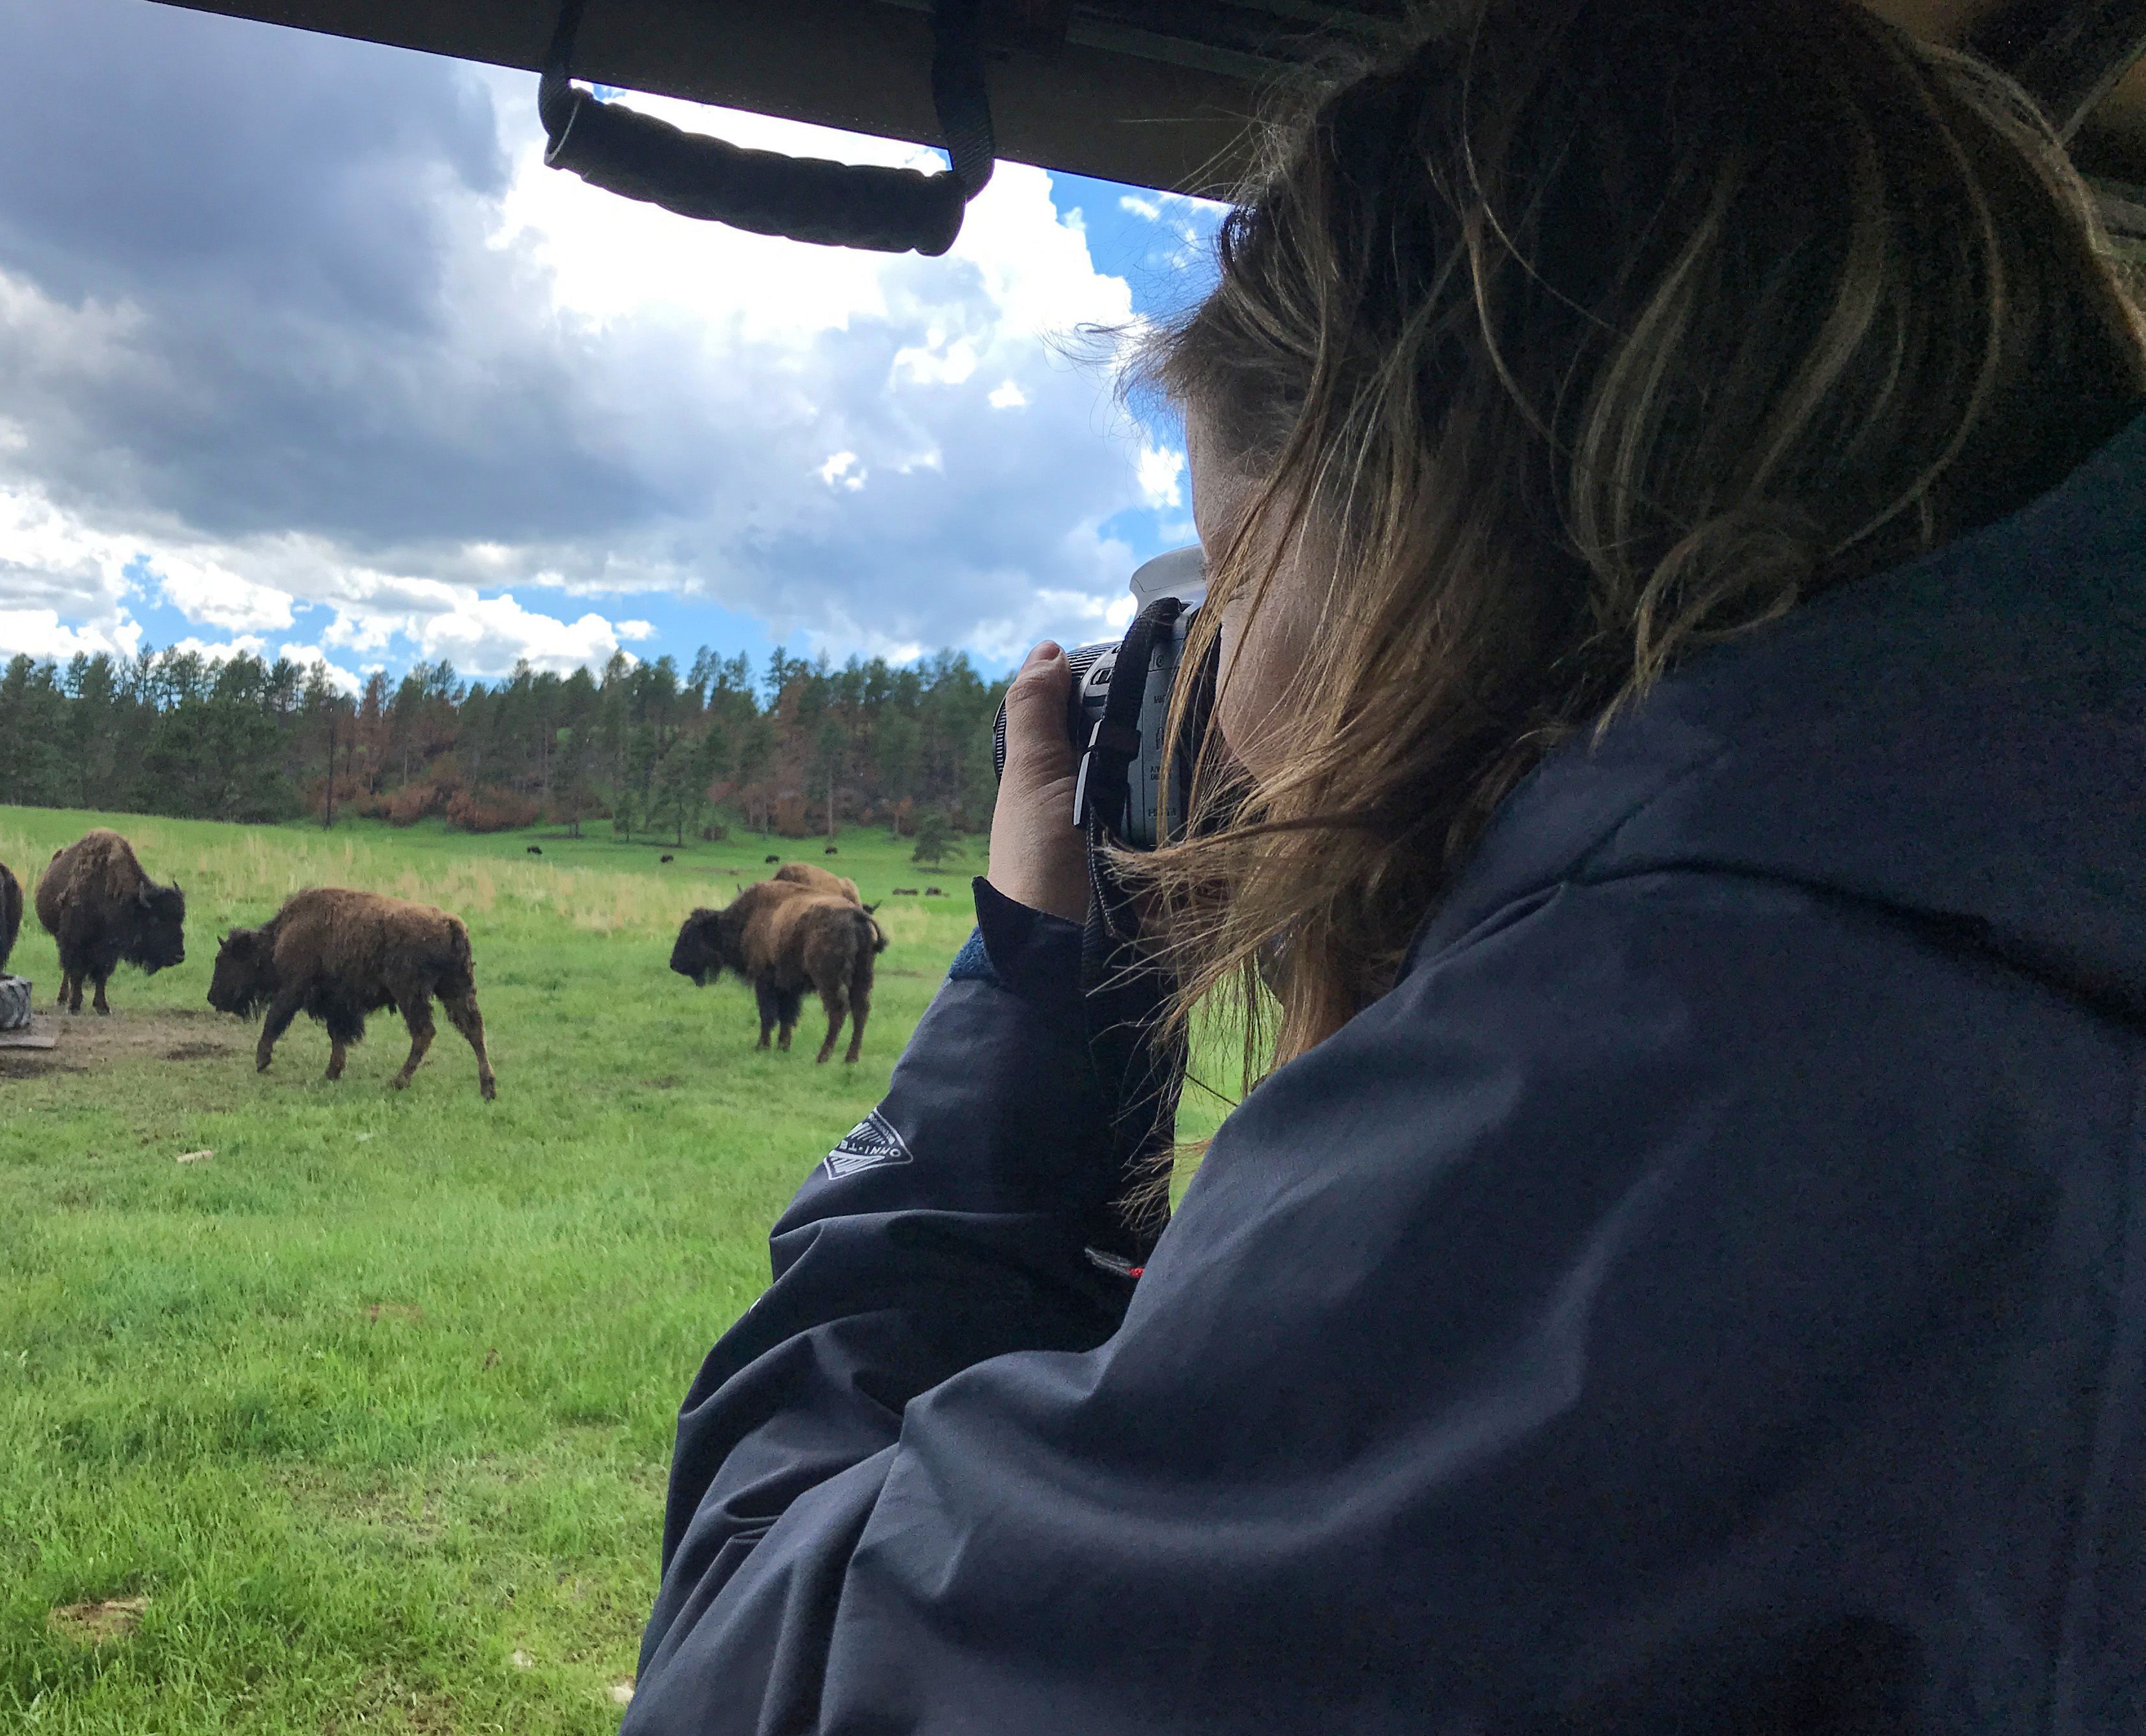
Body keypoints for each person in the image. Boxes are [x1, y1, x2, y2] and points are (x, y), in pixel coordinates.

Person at [622, 0, 2146, 1728]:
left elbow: (760, 1669)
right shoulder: (1994, 966)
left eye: (1227, 561)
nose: (1214, 675)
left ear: (1414, 547)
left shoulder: (1637, 1120)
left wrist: (1038, 1011)